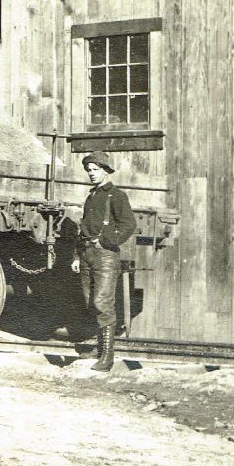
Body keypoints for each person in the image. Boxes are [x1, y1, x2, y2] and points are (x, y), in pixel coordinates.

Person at [71, 151, 136, 371]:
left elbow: (128, 225)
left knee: (102, 303)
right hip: (87, 255)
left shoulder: (116, 195)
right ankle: (100, 350)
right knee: (91, 303)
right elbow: (83, 229)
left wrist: (107, 240)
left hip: (106, 256)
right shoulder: (91, 196)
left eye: (95, 170)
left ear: (106, 170)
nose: (91, 174)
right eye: (89, 170)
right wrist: (77, 256)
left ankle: (107, 358)